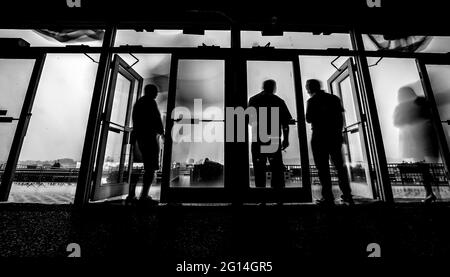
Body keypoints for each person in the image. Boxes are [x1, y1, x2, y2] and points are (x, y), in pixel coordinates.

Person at [305, 79, 353, 206]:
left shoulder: (312, 101)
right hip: (334, 136)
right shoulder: (334, 98)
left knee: (323, 168)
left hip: (319, 137)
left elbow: (308, 119)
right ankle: (347, 195)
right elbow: (340, 118)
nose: (306, 90)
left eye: (307, 87)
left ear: (310, 88)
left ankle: (328, 197)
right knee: (340, 167)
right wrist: (338, 132)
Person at [394, 85, 439, 203]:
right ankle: (431, 193)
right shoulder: (421, 102)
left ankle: (430, 193)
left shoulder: (402, 107)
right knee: (427, 167)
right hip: (424, 138)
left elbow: (397, 122)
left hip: (416, 140)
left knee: (424, 168)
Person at [248, 79, 292, 190]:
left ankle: (261, 198)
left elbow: (249, 120)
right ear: (273, 88)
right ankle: (277, 197)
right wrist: (286, 139)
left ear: (263, 87)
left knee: (259, 169)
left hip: (257, 138)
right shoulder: (278, 101)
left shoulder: (253, 100)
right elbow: (285, 122)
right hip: (274, 138)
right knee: (277, 168)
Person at [126, 84, 164, 205]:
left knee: (137, 168)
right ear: (151, 92)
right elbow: (156, 119)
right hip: (148, 138)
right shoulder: (150, 103)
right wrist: (162, 133)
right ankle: (144, 195)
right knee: (150, 167)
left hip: (138, 138)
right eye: (155, 92)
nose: (157, 94)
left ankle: (131, 194)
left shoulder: (139, 103)